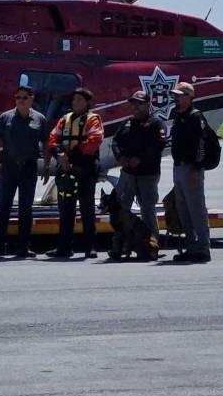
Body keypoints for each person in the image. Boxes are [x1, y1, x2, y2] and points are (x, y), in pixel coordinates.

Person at [0, 85, 49, 259]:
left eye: (24, 97)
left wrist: (46, 166)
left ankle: (23, 247)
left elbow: (46, 144)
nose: (20, 100)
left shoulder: (40, 119)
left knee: (26, 209)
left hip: (29, 168)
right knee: (3, 208)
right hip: (9, 167)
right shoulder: (5, 118)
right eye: (18, 97)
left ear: (32, 98)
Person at [47, 87, 104, 259]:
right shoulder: (65, 119)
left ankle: (90, 247)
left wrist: (69, 155)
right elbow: (52, 138)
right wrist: (59, 154)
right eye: (74, 100)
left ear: (87, 102)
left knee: (87, 208)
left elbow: (95, 140)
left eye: (80, 99)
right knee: (65, 209)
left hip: (85, 167)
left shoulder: (93, 119)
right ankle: (64, 247)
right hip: (66, 168)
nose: (76, 102)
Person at [110, 90, 168, 246]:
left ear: (148, 105)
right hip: (127, 174)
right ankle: (119, 245)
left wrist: (140, 159)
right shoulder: (128, 122)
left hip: (147, 174)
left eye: (139, 104)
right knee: (121, 210)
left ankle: (152, 244)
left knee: (147, 210)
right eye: (133, 104)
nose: (135, 107)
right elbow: (115, 141)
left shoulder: (157, 124)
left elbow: (158, 146)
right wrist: (120, 157)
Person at [168, 82, 211, 263]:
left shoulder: (195, 117)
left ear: (189, 97)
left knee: (196, 211)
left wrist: (196, 168)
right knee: (184, 211)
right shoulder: (179, 116)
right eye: (175, 96)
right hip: (178, 167)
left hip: (191, 169)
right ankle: (190, 247)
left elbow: (201, 145)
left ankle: (202, 249)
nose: (176, 99)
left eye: (179, 96)